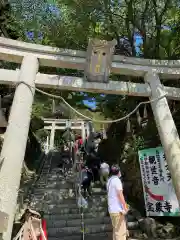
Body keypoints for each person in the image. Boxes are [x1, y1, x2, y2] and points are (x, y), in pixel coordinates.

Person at [107, 165, 128, 240]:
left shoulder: (109, 180)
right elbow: (120, 194)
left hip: (112, 209)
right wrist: (125, 206)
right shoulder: (117, 180)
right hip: (117, 210)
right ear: (118, 172)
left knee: (116, 231)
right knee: (121, 232)